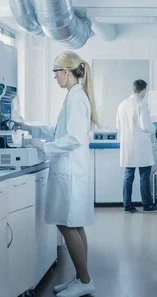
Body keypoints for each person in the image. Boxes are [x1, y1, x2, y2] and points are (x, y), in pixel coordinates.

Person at [14, 51, 97, 297]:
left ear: (65, 71)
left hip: (70, 171)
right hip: (71, 170)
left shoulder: (76, 98)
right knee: (74, 225)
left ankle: (84, 280)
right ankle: (81, 278)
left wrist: (41, 147)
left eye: (55, 72)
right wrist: (29, 128)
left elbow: (71, 139)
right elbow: (58, 130)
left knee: (67, 225)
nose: (54, 78)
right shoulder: (74, 96)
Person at [116, 79, 157, 214]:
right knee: (144, 175)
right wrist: (154, 127)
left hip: (127, 145)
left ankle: (127, 206)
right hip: (141, 146)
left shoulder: (122, 105)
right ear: (143, 90)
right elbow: (146, 126)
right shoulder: (142, 104)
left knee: (128, 175)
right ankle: (147, 205)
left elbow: (118, 126)